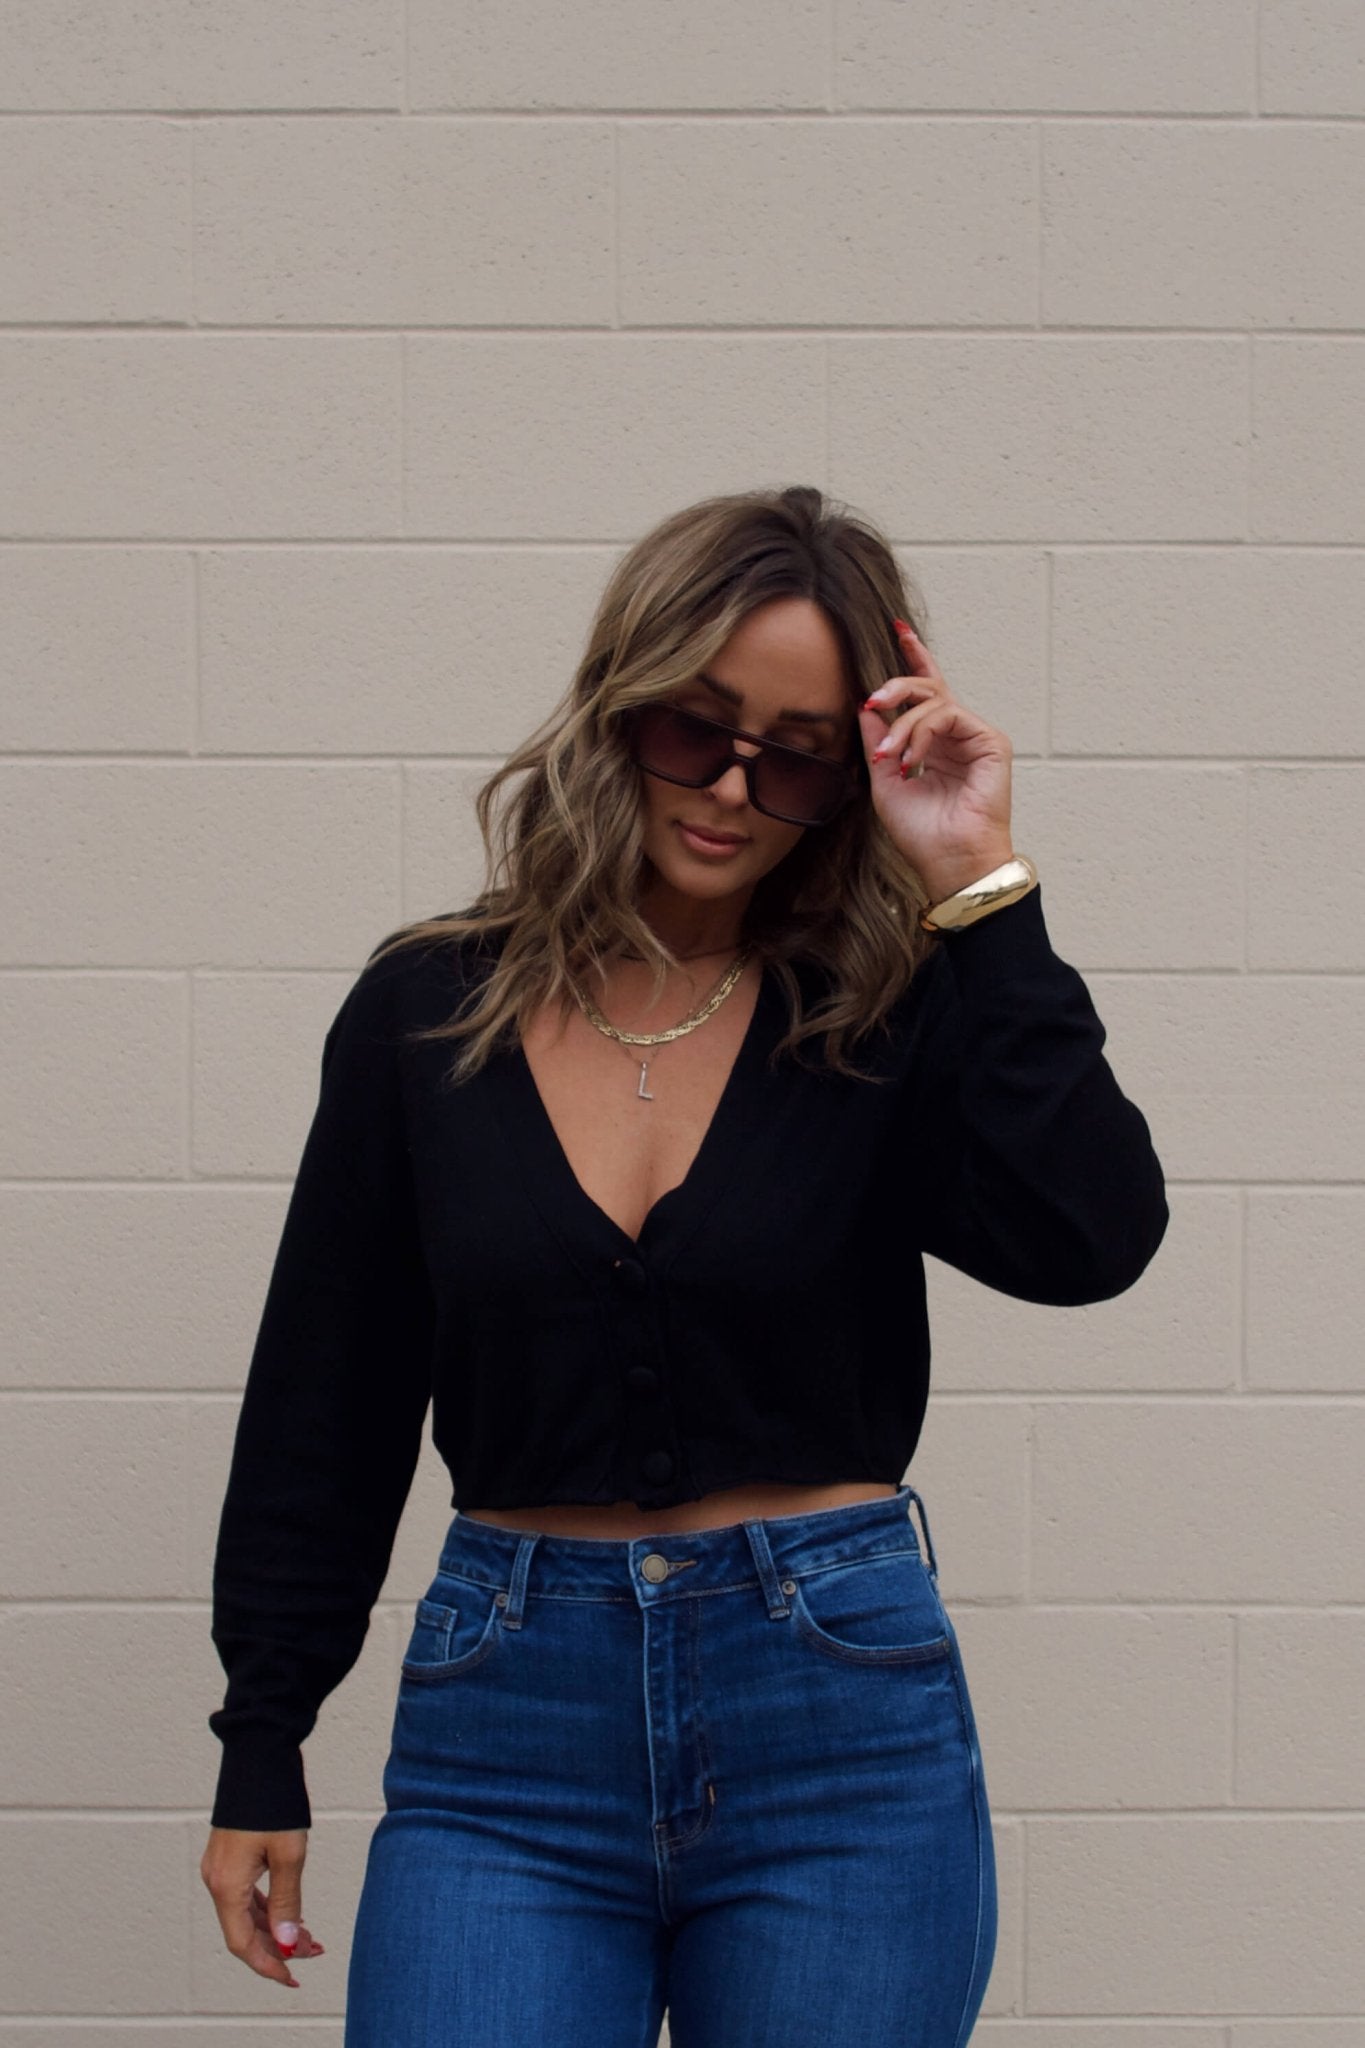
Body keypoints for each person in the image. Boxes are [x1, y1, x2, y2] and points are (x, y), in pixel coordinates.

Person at [199, 484, 1168, 2046]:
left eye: (794, 755)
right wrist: (264, 1730)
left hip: (837, 1726)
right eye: (691, 729)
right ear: (616, 706)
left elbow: (1092, 1241)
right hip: (506, 1736)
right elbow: (330, 1395)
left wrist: (979, 891)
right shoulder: (422, 1013)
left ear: (850, 777)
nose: (730, 787)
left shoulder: (879, 1016)